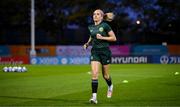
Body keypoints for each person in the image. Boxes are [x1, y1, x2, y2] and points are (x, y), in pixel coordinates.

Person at [83, 9, 117, 104]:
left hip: (105, 52)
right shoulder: (91, 27)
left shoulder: (105, 26)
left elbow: (114, 38)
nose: (95, 15)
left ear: (102, 17)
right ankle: (94, 98)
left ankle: (110, 86)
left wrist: (102, 37)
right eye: (94, 14)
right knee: (94, 74)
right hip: (95, 52)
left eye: (98, 14)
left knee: (105, 75)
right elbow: (91, 36)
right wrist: (87, 43)